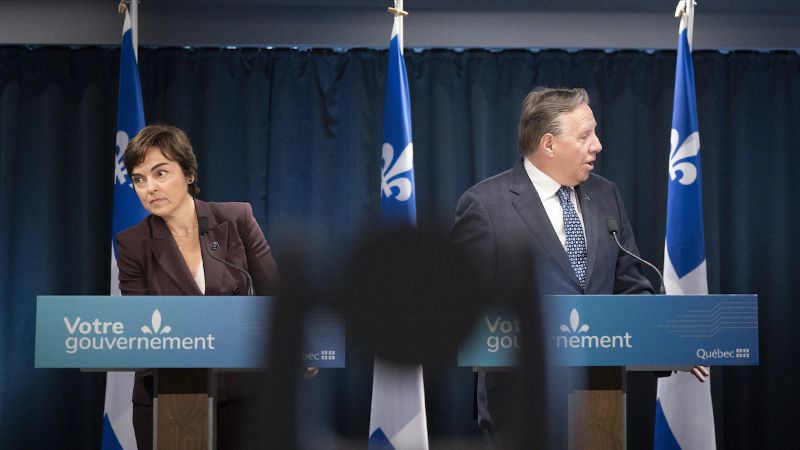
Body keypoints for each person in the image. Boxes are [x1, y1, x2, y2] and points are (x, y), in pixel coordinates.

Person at [450, 87, 708, 442]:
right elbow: (461, 303)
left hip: (600, 403)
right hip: (520, 408)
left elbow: (631, 286)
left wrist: (671, 339)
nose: (597, 145)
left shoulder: (606, 194)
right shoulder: (485, 204)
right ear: (549, 144)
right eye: (585, 135)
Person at [116, 123, 279, 449]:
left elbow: (276, 297)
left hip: (243, 397)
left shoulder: (236, 219)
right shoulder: (133, 243)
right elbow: (140, 326)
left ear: (189, 173)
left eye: (160, 173)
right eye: (139, 179)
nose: (149, 188)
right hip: (167, 398)